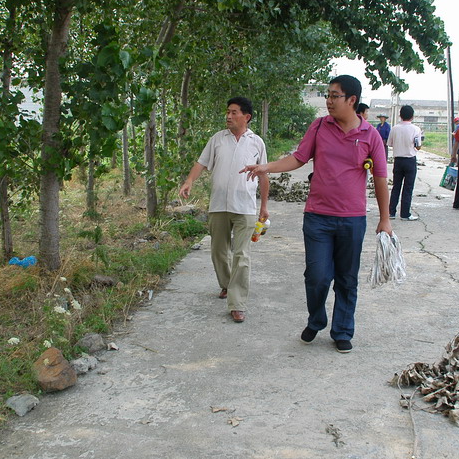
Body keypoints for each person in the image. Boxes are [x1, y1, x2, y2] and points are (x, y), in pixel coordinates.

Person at [240, 75, 392, 354]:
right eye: (328, 95)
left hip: (352, 219)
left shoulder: (370, 135)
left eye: (335, 96)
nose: (329, 101)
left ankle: (342, 330)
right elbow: (298, 157)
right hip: (318, 217)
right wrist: (266, 167)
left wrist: (385, 219)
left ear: (352, 100)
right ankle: (316, 319)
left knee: (347, 278)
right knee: (317, 276)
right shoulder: (320, 126)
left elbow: (380, 178)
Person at [179, 97, 269, 323]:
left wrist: (264, 207)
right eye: (228, 112)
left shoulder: (256, 143)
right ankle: (227, 284)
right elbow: (201, 163)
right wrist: (189, 180)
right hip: (219, 205)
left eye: (234, 112)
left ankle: (237, 303)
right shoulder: (217, 139)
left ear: (246, 117)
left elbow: (264, 176)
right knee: (218, 251)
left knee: (242, 254)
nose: (229, 116)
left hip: (245, 207)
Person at [388, 105, 422, 221]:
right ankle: (405, 214)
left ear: (400, 115)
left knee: (396, 186)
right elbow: (418, 146)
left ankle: (391, 212)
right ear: (412, 116)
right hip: (410, 160)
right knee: (408, 188)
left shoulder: (394, 128)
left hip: (398, 160)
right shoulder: (416, 129)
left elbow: (390, 144)